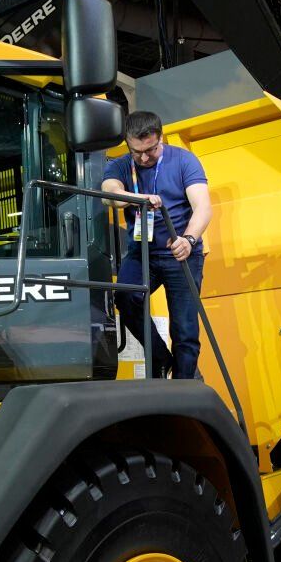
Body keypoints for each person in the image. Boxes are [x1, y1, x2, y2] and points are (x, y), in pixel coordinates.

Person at [99, 110, 212, 379]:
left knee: (184, 330)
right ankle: (160, 358)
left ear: (160, 137)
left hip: (181, 253)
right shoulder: (121, 165)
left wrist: (188, 239)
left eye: (150, 150)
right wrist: (139, 198)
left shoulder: (184, 161)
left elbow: (203, 208)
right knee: (126, 298)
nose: (144, 158)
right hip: (143, 253)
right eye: (137, 151)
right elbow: (109, 195)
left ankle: (184, 389)